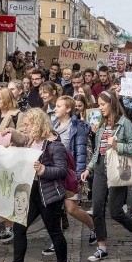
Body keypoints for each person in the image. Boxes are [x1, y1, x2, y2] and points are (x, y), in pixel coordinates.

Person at [0, 108, 70, 262]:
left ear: (37, 124)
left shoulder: (54, 144)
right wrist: (10, 136)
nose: (25, 127)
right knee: (19, 227)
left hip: (49, 194)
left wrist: (43, 170)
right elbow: (17, 146)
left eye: (28, 124)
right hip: (31, 192)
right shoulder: (30, 142)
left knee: (54, 231)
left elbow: (61, 170)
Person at [80, 89, 132, 261]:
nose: (100, 108)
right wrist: (89, 168)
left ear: (112, 104)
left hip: (117, 168)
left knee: (116, 211)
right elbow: (97, 152)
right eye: (99, 105)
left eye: (103, 104)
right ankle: (102, 247)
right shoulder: (101, 126)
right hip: (101, 168)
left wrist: (118, 146)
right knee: (97, 208)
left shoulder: (125, 123)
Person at [52, 95, 96, 243]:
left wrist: (78, 176)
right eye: (56, 106)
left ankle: (93, 227)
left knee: (71, 209)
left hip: (70, 173)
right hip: (55, 172)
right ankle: (56, 242)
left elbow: (81, 153)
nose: (55, 109)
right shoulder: (53, 126)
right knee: (55, 209)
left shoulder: (77, 128)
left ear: (68, 109)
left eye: (59, 106)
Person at [0, 86, 25, 243]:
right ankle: (6, 227)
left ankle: (14, 229)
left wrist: (12, 132)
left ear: (7, 99)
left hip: (12, 160)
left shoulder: (18, 115)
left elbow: (25, 138)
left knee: (11, 196)